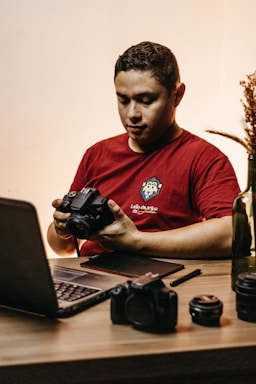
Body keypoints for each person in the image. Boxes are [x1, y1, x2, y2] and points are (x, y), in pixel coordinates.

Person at [47, 41, 240, 259]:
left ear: (177, 95)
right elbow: (63, 248)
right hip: (91, 277)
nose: (132, 114)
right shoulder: (96, 154)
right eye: (123, 100)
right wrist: (61, 229)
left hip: (157, 282)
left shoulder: (204, 158)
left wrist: (135, 241)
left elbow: (231, 234)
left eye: (146, 100)